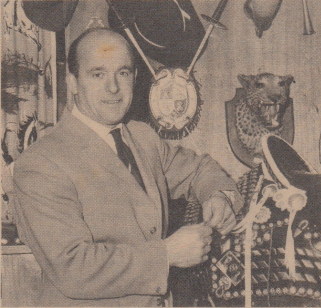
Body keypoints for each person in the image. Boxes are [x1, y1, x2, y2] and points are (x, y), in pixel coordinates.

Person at [13, 28, 243, 307]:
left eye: (122, 72)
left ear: (135, 78)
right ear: (72, 83)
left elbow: (198, 169)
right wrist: (167, 255)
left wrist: (218, 196)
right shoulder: (40, 163)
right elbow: (73, 268)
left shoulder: (142, 138)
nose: (113, 87)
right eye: (98, 74)